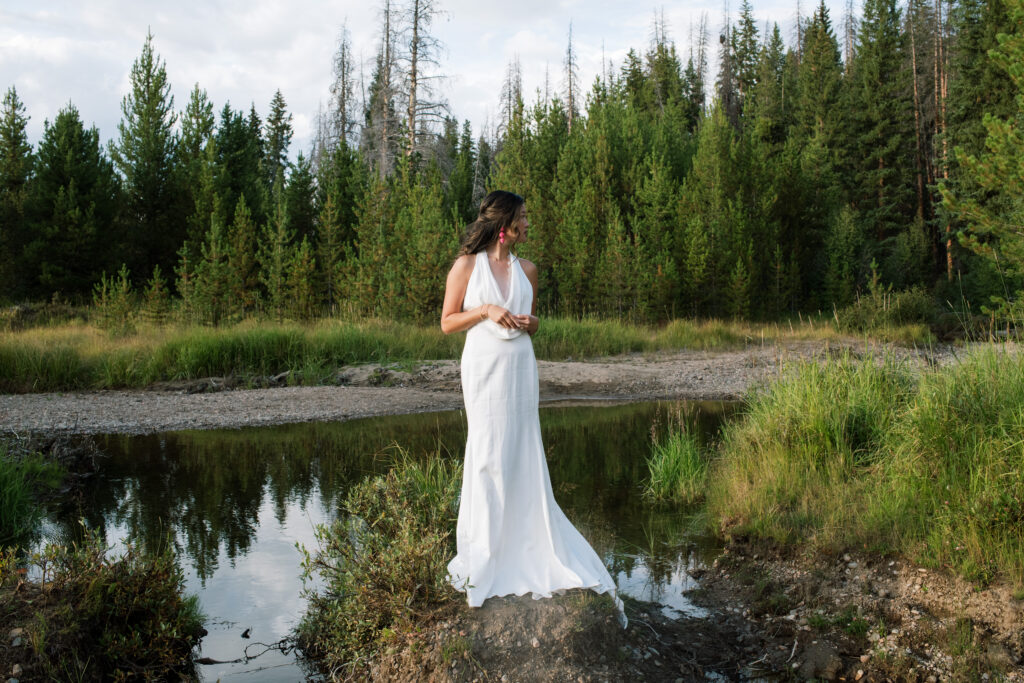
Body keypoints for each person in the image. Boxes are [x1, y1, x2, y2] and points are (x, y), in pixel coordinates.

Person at [440, 190, 626, 626]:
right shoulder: (466, 266)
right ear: (504, 224)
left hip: (520, 367)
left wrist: (531, 323)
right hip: (484, 368)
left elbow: (534, 321)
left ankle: (528, 545)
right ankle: (486, 553)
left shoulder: (529, 269)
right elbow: (447, 322)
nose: (529, 223)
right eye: (523, 217)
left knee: (523, 452)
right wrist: (484, 310)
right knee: (487, 453)